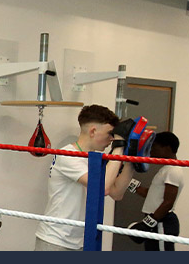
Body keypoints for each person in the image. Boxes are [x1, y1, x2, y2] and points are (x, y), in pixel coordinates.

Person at [34, 105, 136, 251]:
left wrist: (132, 162)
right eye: (110, 133)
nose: (112, 139)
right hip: (55, 240)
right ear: (93, 131)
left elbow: (116, 193)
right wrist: (119, 146)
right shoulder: (68, 155)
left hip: (80, 241)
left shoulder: (95, 159)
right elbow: (103, 188)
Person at [126, 131, 183, 251]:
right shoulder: (166, 169)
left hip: (162, 222)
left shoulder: (173, 170)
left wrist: (148, 223)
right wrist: (127, 182)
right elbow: (150, 194)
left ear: (167, 148)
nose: (151, 150)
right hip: (156, 221)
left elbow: (168, 202)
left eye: (154, 147)